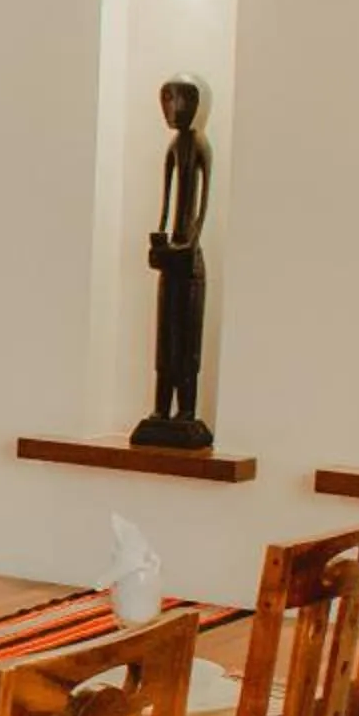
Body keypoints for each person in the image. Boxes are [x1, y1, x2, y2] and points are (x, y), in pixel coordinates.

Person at [131, 74, 213, 448]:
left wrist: (186, 245)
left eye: (180, 101)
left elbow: (200, 209)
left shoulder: (199, 145)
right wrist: (160, 240)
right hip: (174, 258)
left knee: (186, 338)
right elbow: (165, 205)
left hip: (190, 260)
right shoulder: (172, 149)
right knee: (165, 338)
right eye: (168, 100)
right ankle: (161, 407)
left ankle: (186, 410)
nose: (173, 109)